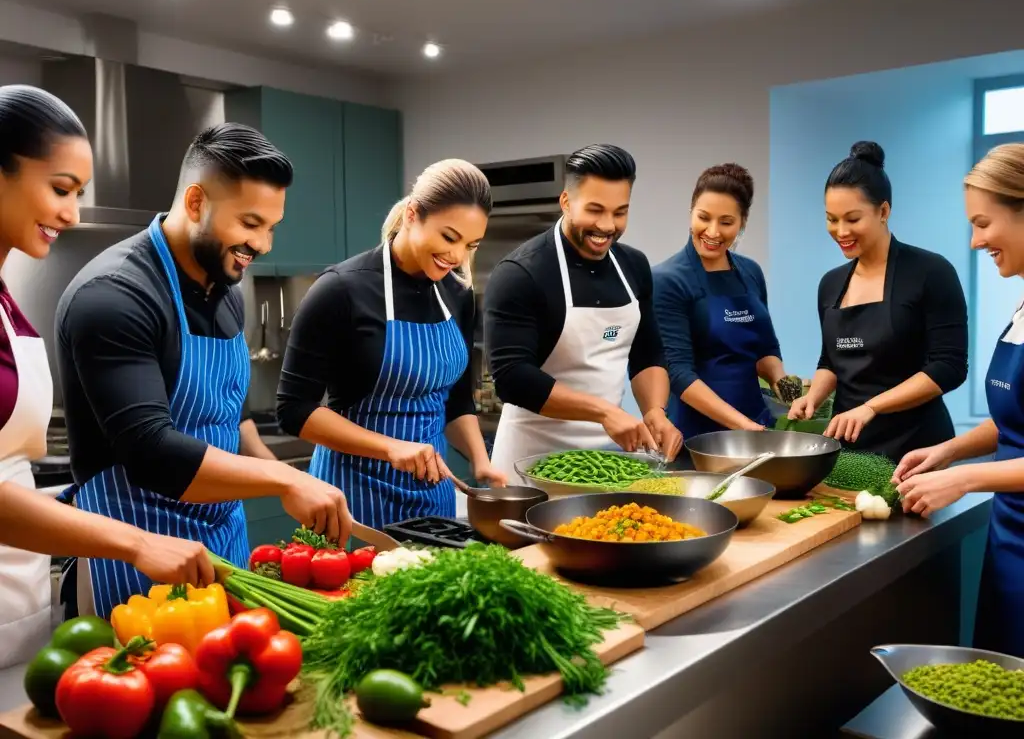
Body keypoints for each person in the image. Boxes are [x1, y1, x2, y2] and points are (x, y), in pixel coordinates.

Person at [55, 123, 352, 619]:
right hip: (136, 555)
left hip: (223, 544)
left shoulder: (227, 293)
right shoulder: (113, 296)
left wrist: (283, 473)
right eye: (250, 223)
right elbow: (152, 452)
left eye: (271, 227)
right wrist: (281, 483)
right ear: (195, 203)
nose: (263, 244)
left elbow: (229, 418)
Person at [0, 85, 213, 666]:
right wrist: (137, 541)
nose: (71, 213)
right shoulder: (110, 294)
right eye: (60, 189)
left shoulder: (6, 299)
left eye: (80, 194)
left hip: (16, 596)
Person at [277, 159, 506, 529]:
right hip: (350, 497)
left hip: (433, 496)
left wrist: (481, 461)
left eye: (471, 244)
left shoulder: (457, 294)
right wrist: (391, 447)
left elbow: (457, 397)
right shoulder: (340, 290)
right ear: (413, 215)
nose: (458, 256)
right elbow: (294, 410)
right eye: (449, 237)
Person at [894, 143, 1024, 658]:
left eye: (983, 223)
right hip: (1010, 538)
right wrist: (950, 451)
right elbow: (1016, 420)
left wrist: (964, 479)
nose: (974, 241)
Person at [486, 144, 682, 477]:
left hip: (606, 459)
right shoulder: (521, 273)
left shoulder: (633, 265)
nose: (607, 225)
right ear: (566, 201)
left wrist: (655, 411)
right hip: (529, 460)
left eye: (620, 212)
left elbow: (648, 352)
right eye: (595, 210)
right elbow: (512, 377)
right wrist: (605, 412)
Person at [788, 142, 968, 461]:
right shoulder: (830, 284)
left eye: (852, 219)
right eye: (831, 219)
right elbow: (831, 360)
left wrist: (871, 407)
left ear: (883, 211)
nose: (840, 231)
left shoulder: (930, 272)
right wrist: (813, 397)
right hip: (849, 451)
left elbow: (949, 367)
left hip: (918, 449)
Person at [653, 164, 788, 437]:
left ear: (742, 222)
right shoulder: (667, 280)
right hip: (698, 436)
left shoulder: (751, 272)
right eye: (704, 217)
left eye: (726, 222)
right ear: (691, 213)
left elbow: (766, 349)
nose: (713, 232)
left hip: (756, 423)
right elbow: (679, 373)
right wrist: (743, 426)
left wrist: (789, 390)